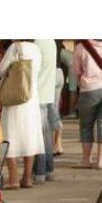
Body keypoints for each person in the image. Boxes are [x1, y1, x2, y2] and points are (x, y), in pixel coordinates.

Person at [0, 40, 45, 189]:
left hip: (15, 98)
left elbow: (0, 70)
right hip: (31, 98)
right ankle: (27, 178)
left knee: (10, 136)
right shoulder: (37, 49)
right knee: (29, 137)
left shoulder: (15, 48)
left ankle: (13, 178)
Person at [72, 40, 102, 169]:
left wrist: (81, 81)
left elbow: (76, 70)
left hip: (88, 89)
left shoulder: (81, 47)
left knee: (86, 125)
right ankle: (100, 161)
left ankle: (86, 159)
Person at [33, 39, 58, 183]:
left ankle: (39, 172)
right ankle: (49, 170)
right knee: (46, 136)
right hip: (47, 93)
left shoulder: (37, 43)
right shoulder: (51, 41)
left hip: (38, 94)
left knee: (39, 137)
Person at [53, 40, 65, 156]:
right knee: (55, 109)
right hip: (59, 71)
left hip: (49, 71)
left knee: (48, 109)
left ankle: (53, 143)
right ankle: (58, 142)